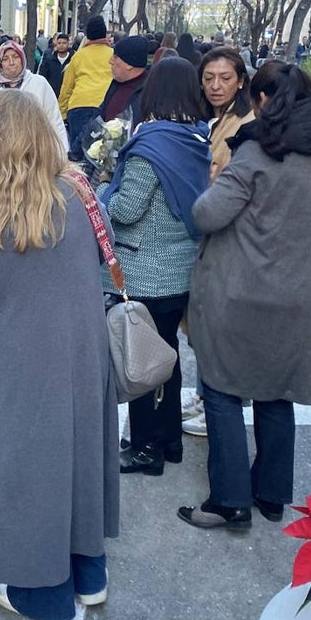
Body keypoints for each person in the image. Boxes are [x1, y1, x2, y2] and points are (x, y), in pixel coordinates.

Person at [0, 89, 119, 620]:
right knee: (77, 460)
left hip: (9, 368)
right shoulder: (79, 197)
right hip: (80, 356)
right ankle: (89, 573)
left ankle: (42, 593)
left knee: (19, 476)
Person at [179, 62, 311, 530]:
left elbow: (207, 215)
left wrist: (216, 182)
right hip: (306, 298)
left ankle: (230, 501)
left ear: (263, 102)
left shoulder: (257, 154)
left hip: (245, 293)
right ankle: (273, 495)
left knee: (221, 389)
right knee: (277, 393)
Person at [102, 58, 210, 478]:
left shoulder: (152, 146)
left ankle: (147, 449)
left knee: (141, 360)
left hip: (147, 272)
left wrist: (102, 191)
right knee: (167, 355)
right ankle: (169, 441)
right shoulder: (194, 140)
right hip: (180, 269)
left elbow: (127, 209)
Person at [0, 39, 67, 151]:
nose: (11, 62)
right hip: (1, 154)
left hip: (36, 151)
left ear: (22, 59)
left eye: (15, 57)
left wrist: (61, 152)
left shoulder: (39, 84)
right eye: (5, 59)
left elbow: (54, 119)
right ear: (0, 64)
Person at [59, 15, 114, 159]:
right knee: (101, 155)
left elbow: (67, 88)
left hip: (79, 106)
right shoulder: (113, 56)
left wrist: (63, 113)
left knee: (79, 154)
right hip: (104, 106)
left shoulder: (78, 56)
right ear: (104, 34)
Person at [200, 47, 256, 177]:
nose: (215, 86)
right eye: (208, 78)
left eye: (225, 78)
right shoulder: (193, 118)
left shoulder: (249, 122)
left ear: (240, 81)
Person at [95, 35, 150, 128]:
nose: (110, 61)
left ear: (129, 64)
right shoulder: (116, 83)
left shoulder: (149, 93)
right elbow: (99, 118)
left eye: (115, 57)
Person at [38, 32, 73, 97]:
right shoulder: (49, 60)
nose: (61, 45)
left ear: (68, 44)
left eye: (64, 43)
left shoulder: (73, 60)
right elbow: (42, 76)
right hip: (51, 94)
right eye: (59, 43)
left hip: (68, 96)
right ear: (56, 44)